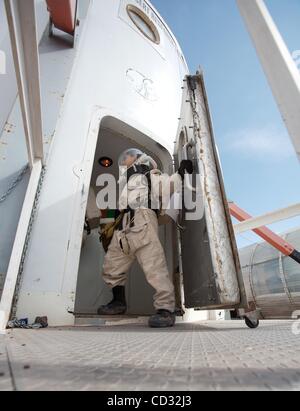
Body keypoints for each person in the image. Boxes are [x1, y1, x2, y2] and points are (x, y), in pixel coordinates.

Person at [97, 148, 193, 328]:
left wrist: (180, 173)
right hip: (124, 227)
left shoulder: (150, 174)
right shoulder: (128, 182)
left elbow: (167, 186)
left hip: (143, 220)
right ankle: (118, 303)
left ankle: (166, 310)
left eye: (128, 155)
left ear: (137, 158)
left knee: (154, 267)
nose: (125, 158)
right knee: (111, 266)